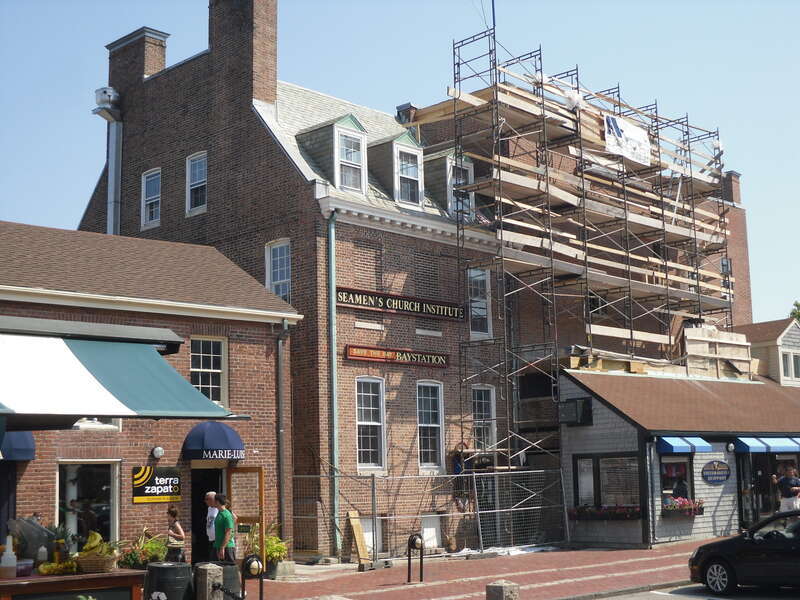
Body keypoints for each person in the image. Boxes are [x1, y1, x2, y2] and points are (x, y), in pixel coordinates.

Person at [213, 493, 236, 562]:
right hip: (217, 545)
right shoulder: (219, 513)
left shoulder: (227, 515)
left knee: (229, 570)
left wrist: (222, 548)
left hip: (227, 547)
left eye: (214, 501)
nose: (213, 502)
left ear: (217, 502)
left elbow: (228, 533)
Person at [204, 491, 219, 562]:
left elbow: (233, 517)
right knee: (212, 560)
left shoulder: (219, 508)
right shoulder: (209, 508)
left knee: (216, 561)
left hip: (218, 539)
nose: (205, 501)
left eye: (207, 499)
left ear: (213, 499)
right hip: (211, 539)